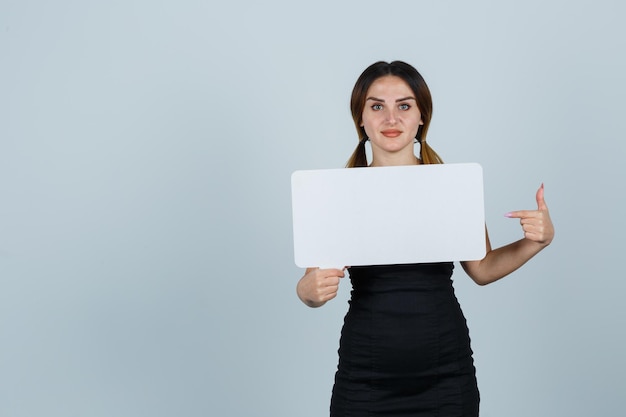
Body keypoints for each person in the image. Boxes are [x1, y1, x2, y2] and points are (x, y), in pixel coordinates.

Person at [295, 61, 555, 416]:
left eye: (404, 105)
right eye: (377, 106)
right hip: (364, 379)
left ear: (421, 116)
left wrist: (535, 242)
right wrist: (307, 292)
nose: (391, 119)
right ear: (361, 117)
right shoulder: (338, 192)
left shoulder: (451, 185)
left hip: (446, 377)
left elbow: (481, 269)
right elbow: (312, 285)